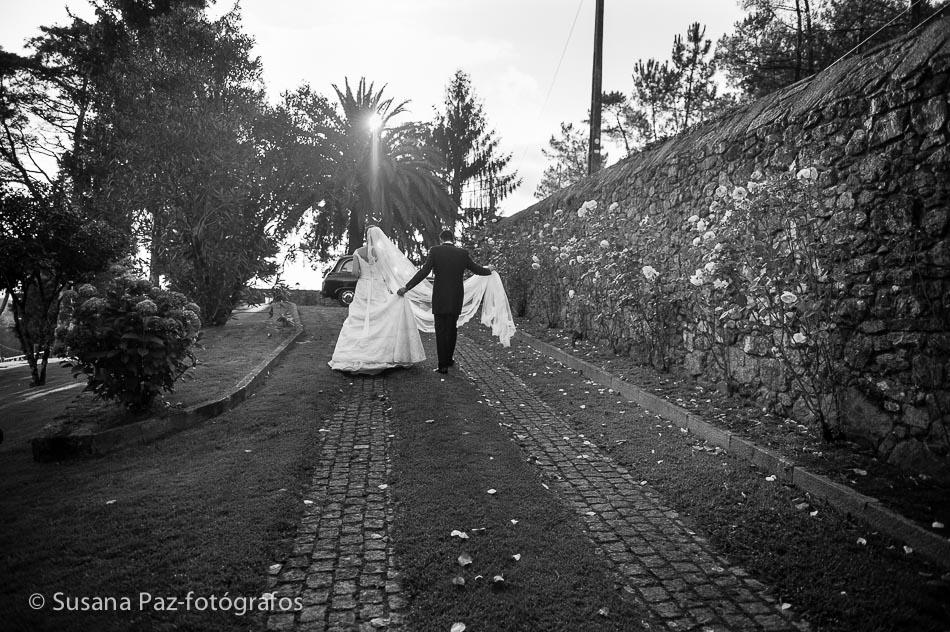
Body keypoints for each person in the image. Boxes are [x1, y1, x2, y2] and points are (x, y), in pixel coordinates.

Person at [328, 226, 425, 374]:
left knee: (359, 317)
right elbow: (388, 273)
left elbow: (355, 274)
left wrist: (362, 272)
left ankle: (355, 352)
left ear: (367, 236)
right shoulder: (383, 253)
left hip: (363, 287)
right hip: (379, 287)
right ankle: (382, 353)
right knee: (381, 316)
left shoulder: (358, 252)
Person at [397, 229, 492, 374]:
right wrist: (489, 270)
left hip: (440, 297)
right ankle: (449, 359)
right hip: (456, 297)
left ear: (441, 239)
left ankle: (443, 366)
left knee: (441, 331)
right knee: (452, 328)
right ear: (452, 239)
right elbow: (477, 270)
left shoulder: (435, 251)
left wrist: (407, 287)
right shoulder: (462, 253)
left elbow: (424, 272)